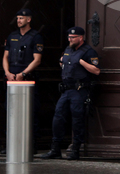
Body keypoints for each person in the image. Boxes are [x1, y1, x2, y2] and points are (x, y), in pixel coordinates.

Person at [40, 26, 100, 160]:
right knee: (58, 118)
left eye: (73, 38)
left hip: (79, 91)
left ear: (81, 38)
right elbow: (64, 63)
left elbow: (96, 70)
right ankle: (55, 149)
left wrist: (81, 62)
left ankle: (76, 150)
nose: (70, 39)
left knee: (77, 120)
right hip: (66, 90)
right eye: (69, 37)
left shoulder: (88, 51)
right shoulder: (68, 49)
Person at [0, 8, 43, 154]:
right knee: (9, 110)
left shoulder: (35, 36)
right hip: (11, 78)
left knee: (31, 111)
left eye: (21, 18)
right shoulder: (12, 36)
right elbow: (5, 56)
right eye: (18, 18)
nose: (19, 21)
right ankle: (9, 144)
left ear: (29, 19)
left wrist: (23, 73)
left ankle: (31, 145)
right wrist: (7, 72)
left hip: (27, 79)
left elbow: (37, 60)